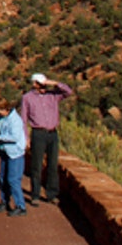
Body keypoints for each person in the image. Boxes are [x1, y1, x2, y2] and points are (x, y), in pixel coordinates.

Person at [21, 72, 73, 205]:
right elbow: (23, 119)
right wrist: (26, 137)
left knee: (52, 164)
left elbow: (68, 92)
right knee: (36, 165)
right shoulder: (27, 98)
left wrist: (54, 83)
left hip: (52, 133)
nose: (42, 86)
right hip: (38, 133)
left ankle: (52, 194)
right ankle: (35, 195)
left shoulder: (53, 95)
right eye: (39, 84)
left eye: (43, 84)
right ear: (34, 84)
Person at [0, 95, 27, 216]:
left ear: (5, 108)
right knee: (3, 178)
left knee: (13, 180)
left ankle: (21, 206)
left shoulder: (15, 120)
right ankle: (4, 201)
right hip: (5, 151)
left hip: (15, 153)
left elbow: (14, 137)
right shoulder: (0, 118)